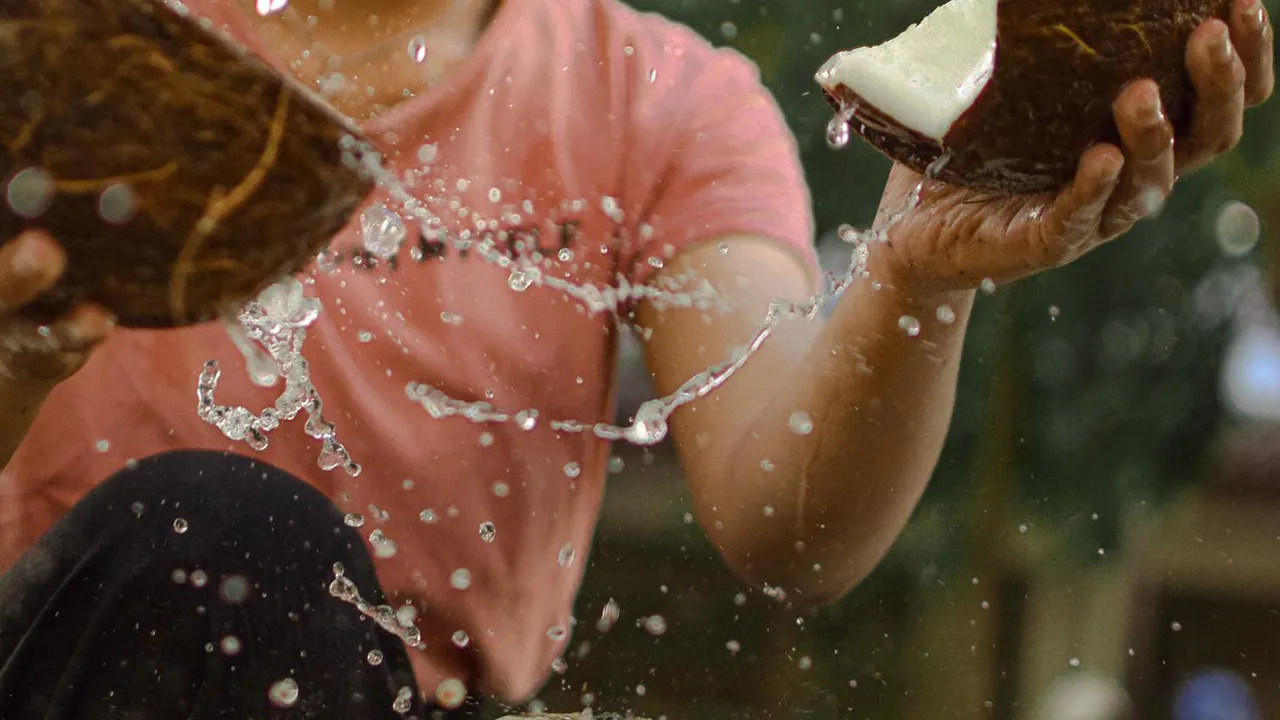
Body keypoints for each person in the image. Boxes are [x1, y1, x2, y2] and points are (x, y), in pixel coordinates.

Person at [0, 0, 1272, 716]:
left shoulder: (656, 102)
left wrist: (911, 277)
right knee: (214, 536)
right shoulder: (68, 49)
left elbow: (788, 525)